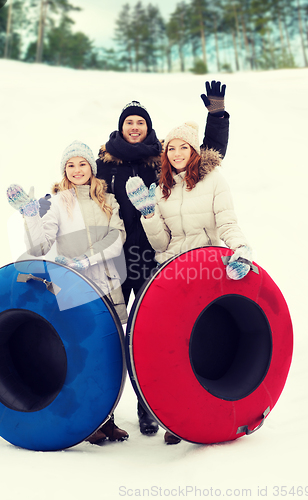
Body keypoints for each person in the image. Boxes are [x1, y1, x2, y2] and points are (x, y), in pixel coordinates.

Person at [96, 81, 230, 436]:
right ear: (121, 127)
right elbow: (78, 188)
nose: (135, 127)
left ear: (148, 128)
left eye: (141, 122)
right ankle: (100, 414)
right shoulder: (103, 162)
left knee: (155, 334)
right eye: (130, 122)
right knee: (105, 332)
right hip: (113, 259)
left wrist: (216, 115)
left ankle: (148, 407)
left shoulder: (163, 160)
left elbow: (208, 157)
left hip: (154, 257)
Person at [126, 121, 252, 443]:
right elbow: (161, 243)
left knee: (201, 342)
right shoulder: (162, 188)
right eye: (172, 148)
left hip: (206, 272)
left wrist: (240, 247)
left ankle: (204, 414)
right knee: (171, 348)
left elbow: (226, 220)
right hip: (173, 273)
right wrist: (149, 215)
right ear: (165, 153)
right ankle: (173, 417)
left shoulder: (213, 180)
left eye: (184, 146)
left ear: (194, 150)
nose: (178, 152)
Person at [6, 140, 129, 445]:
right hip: (75, 288)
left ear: (92, 168)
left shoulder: (108, 201)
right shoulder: (58, 203)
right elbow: (40, 246)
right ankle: (90, 422)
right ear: (64, 170)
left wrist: (87, 258)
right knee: (85, 354)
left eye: (82, 164)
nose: (77, 170)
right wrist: (31, 215)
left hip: (108, 285)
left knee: (113, 356)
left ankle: (109, 419)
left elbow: (117, 237)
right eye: (70, 165)